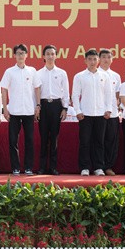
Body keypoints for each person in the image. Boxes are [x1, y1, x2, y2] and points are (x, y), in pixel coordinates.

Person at [71, 49, 115, 176]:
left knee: (99, 142)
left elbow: (109, 94)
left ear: (98, 60)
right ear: (85, 61)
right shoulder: (79, 76)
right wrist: (77, 111)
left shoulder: (104, 76)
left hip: (101, 114)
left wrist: (108, 110)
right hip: (85, 114)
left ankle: (98, 167)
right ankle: (85, 167)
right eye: (89, 59)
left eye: (95, 59)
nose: (92, 62)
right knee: (85, 142)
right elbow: (75, 95)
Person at [1, 44, 41, 175]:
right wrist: (5, 109)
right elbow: (4, 89)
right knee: (13, 141)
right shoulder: (9, 72)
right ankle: (15, 168)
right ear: (14, 55)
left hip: (29, 110)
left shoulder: (32, 71)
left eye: (23, 53)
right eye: (18, 53)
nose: (20, 55)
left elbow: (37, 88)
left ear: (26, 55)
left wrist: (38, 105)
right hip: (14, 111)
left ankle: (28, 167)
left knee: (29, 140)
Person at [36, 45, 70, 175]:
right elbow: (35, 92)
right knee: (44, 138)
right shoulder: (38, 73)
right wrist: (36, 108)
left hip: (56, 106)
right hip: (43, 106)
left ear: (56, 56)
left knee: (54, 137)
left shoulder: (62, 73)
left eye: (52, 54)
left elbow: (66, 92)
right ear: (43, 56)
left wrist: (65, 108)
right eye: (48, 54)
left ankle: (53, 167)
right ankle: (42, 167)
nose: (50, 56)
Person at [99, 49, 122, 175]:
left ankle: (108, 166)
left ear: (112, 60)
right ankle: (98, 166)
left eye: (108, 57)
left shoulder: (116, 76)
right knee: (99, 140)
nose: (106, 59)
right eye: (103, 57)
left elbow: (117, 96)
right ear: (99, 59)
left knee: (111, 141)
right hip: (98, 113)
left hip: (113, 113)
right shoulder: (95, 74)